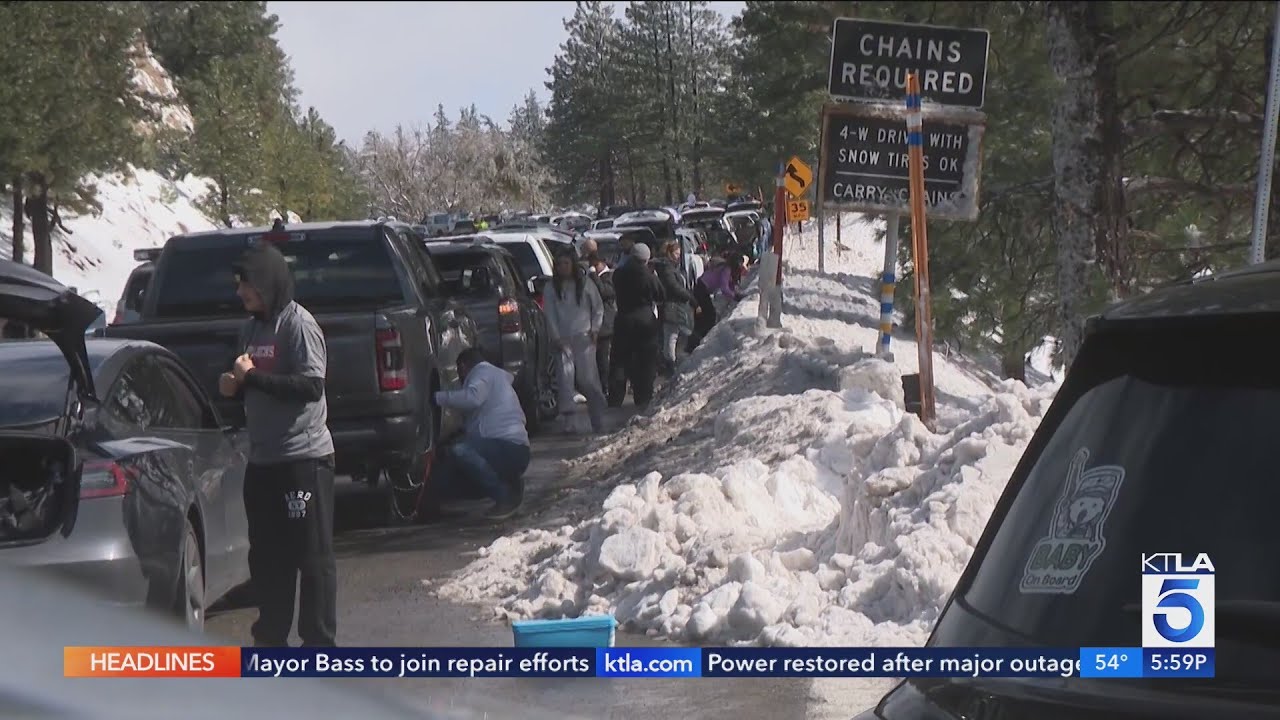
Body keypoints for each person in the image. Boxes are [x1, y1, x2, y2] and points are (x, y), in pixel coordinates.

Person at [219, 242, 336, 648]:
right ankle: (270, 641)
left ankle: (319, 646)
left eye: (246, 285)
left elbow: (310, 386)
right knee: (268, 559)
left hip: (303, 458)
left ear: (266, 283)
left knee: (312, 558)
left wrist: (251, 379)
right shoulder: (250, 328)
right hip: (264, 459)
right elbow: (248, 374)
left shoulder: (298, 325)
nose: (241, 293)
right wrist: (233, 386)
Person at [431, 347, 530, 520]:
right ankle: (511, 484)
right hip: (517, 450)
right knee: (457, 458)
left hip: (507, 448)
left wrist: (437, 398)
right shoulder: (496, 378)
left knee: (460, 451)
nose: (460, 379)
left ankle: (504, 497)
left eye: (459, 372)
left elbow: (473, 398)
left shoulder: (481, 372)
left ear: (463, 366)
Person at [542, 251, 607, 434]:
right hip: (563, 340)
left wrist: (595, 329)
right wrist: (556, 338)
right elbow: (550, 315)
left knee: (587, 380)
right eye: (559, 263)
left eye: (566, 263)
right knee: (565, 381)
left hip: (584, 337)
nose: (563, 267)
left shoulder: (586, 284)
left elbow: (598, 308)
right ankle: (570, 422)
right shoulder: (551, 288)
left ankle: (598, 416)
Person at [609, 243, 665, 410]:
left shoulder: (618, 274)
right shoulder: (649, 276)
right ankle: (643, 397)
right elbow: (661, 294)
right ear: (646, 259)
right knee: (646, 361)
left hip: (623, 318)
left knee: (619, 360)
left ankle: (615, 397)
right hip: (645, 320)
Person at [653, 240, 695, 377]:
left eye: (679, 254)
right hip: (671, 306)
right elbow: (673, 286)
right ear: (670, 253)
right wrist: (688, 296)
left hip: (676, 305)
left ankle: (671, 362)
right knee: (671, 336)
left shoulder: (671, 267)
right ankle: (670, 365)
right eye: (676, 253)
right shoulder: (667, 269)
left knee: (675, 334)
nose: (678, 256)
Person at [688, 256, 744, 352]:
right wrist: (735, 296)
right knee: (710, 315)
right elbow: (724, 288)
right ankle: (700, 343)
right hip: (701, 289)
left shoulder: (726, 269)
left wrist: (736, 293)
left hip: (701, 288)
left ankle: (693, 344)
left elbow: (730, 286)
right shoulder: (726, 270)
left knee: (702, 317)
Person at [581, 246, 617, 387]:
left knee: (603, 358)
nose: (593, 268)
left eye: (596, 265)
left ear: (603, 263)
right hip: (590, 323)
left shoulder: (609, 276)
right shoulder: (591, 278)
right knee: (594, 359)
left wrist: (594, 275)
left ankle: (606, 385)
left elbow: (604, 292)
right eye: (591, 265)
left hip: (606, 324)